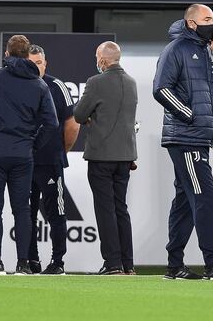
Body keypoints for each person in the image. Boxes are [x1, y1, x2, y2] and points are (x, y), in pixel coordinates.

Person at [152, 4, 213, 281]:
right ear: (191, 23)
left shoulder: (208, 51)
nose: (212, 23)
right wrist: (188, 114)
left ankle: (174, 266)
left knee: (185, 201)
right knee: (204, 197)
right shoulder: (176, 49)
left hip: (199, 137)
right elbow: (161, 88)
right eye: (207, 19)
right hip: (186, 137)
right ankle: (212, 263)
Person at [0, 35, 58, 276]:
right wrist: (33, 145)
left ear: (7, 54)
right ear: (27, 54)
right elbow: (51, 124)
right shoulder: (39, 84)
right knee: (22, 209)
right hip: (23, 154)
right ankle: (23, 263)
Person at [73, 41, 138, 275]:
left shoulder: (95, 82)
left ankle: (112, 264)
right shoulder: (131, 83)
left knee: (105, 209)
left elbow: (79, 114)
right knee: (121, 208)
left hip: (102, 156)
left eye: (96, 57)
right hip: (125, 156)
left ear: (102, 60)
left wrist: (92, 118)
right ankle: (127, 264)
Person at [27, 44, 80, 275]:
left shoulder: (58, 86)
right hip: (23, 162)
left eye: (39, 63)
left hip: (50, 161)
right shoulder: (18, 85)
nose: (35, 67)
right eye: (31, 63)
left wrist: (61, 152)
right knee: (25, 214)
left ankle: (57, 262)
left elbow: (72, 124)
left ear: (45, 63)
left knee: (56, 212)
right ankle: (31, 261)